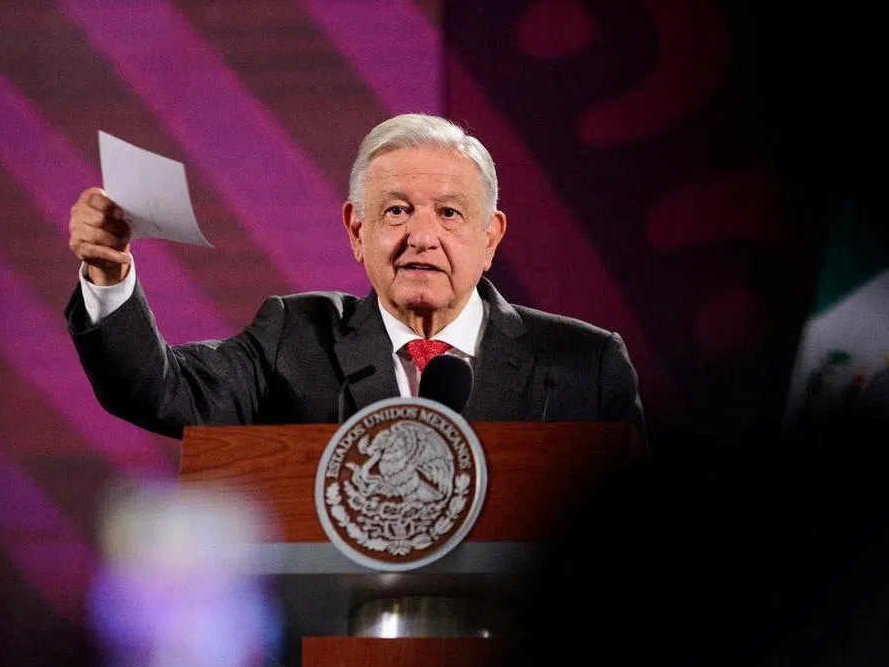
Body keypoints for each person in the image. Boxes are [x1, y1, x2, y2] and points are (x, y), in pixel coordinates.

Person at [65, 113, 645, 441]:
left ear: (490, 237)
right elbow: (162, 392)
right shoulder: (294, 337)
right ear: (356, 230)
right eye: (396, 211)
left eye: (449, 213)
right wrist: (109, 273)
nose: (421, 236)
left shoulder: (584, 365)